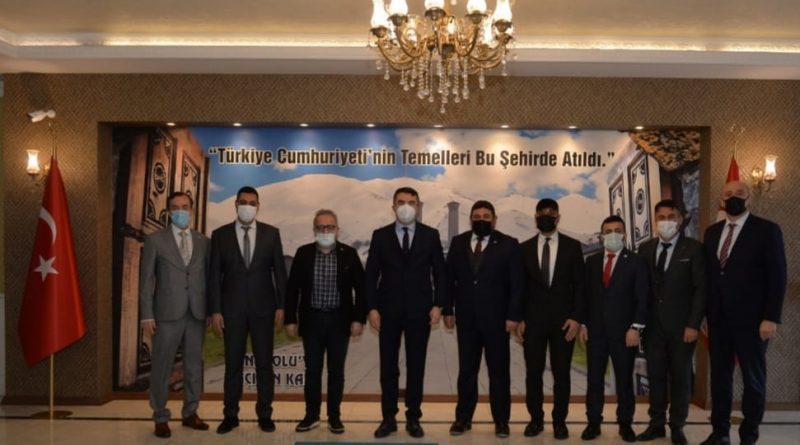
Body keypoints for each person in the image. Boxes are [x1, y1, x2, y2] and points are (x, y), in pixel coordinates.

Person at [701, 181, 786, 445]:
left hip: (754, 322)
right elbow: (709, 277)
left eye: (740, 193)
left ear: (749, 199)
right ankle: (720, 433)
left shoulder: (767, 230)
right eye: (728, 194)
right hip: (718, 320)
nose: (733, 198)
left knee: (753, 380)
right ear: (721, 200)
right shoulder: (712, 232)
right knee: (720, 379)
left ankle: (749, 436)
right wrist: (704, 314)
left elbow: (778, 276)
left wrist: (771, 317)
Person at [365, 186, 446, 439]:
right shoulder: (380, 236)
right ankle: (388, 418)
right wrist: (371, 307)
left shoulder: (431, 235)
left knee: (416, 366)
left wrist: (438, 305)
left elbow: (440, 274)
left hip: (420, 312)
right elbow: (371, 275)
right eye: (401, 202)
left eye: (412, 202)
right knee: (388, 368)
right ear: (393, 206)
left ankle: (413, 418)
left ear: (418, 206)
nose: (406, 206)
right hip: (387, 312)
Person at [208, 186, 288, 434]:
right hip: (231, 311)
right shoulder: (220, 235)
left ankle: (265, 414)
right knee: (233, 365)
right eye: (243, 202)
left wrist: (282, 305)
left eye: (252, 203)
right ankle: (230, 415)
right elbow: (214, 276)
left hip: (264, 310)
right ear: (236, 204)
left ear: (258, 206)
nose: (247, 206)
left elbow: (280, 272)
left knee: (264, 365)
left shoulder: (271, 234)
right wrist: (215, 310)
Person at [443, 200, 523, 438]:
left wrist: (514, 316)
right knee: (467, 371)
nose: (481, 220)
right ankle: (463, 419)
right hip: (466, 319)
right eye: (476, 216)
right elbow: (448, 279)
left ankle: (501, 421)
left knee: (499, 373)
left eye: (486, 216)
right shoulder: (458, 243)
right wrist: (448, 310)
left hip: (497, 321)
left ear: (494, 220)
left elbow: (517, 284)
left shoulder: (509, 244)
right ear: (470, 219)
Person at [284, 209, 366, 434]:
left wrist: (358, 319)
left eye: (330, 227)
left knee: (336, 372)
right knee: (312, 371)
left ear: (337, 230)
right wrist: (290, 319)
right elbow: (292, 289)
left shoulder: (349, 254)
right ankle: (311, 416)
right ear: (314, 230)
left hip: (340, 321)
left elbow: (361, 289)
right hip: (312, 321)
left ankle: (334, 417)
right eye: (321, 227)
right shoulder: (303, 253)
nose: (326, 231)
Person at [139, 192, 210, 438]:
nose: (181, 211)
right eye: (176, 207)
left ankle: (190, 412)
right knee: (162, 366)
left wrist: (211, 310)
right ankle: (160, 415)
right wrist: (146, 314)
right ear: (169, 212)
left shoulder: (204, 242)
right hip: (166, 314)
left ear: (192, 210)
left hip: (196, 313)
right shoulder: (155, 240)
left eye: (185, 207)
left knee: (193, 367)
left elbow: (209, 279)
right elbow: (147, 280)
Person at [636, 200, 705, 445]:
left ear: (680, 219)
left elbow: (700, 289)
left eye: (671, 216)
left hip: (682, 328)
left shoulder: (694, 249)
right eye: (661, 217)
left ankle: (677, 426)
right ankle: (656, 424)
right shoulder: (645, 248)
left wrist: (693, 324)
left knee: (680, 378)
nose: (666, 221)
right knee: (655, 378)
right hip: (653, 328)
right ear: (655, 220)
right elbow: (641, 288)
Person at [518, 198, 585, 440]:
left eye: (551, 212)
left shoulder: (572, 247)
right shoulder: (524, 248)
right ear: (536, 217)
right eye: (541, 213)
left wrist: (577, 318)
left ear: (558, 217)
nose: (546, 216)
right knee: (533, 374)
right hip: (532, 322)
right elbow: (519, 288)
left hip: (564, 323)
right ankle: (535, 420)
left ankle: (560, 422)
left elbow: (580, 286)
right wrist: (519, 318)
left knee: (562, 374)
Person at [580, 215, 649, 443]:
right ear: (602, 236)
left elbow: (643, 298)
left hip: (624, 333)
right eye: (608, 231)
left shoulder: (636, 262)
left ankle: (625, 424)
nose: (613, 235)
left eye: (617, 230)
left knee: (624, 381)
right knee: (594, 381)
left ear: (624, 234)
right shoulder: (592, 262)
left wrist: (635, 328)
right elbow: (586, 297)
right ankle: (593, 423)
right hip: (596, 333)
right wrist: (583, 324)